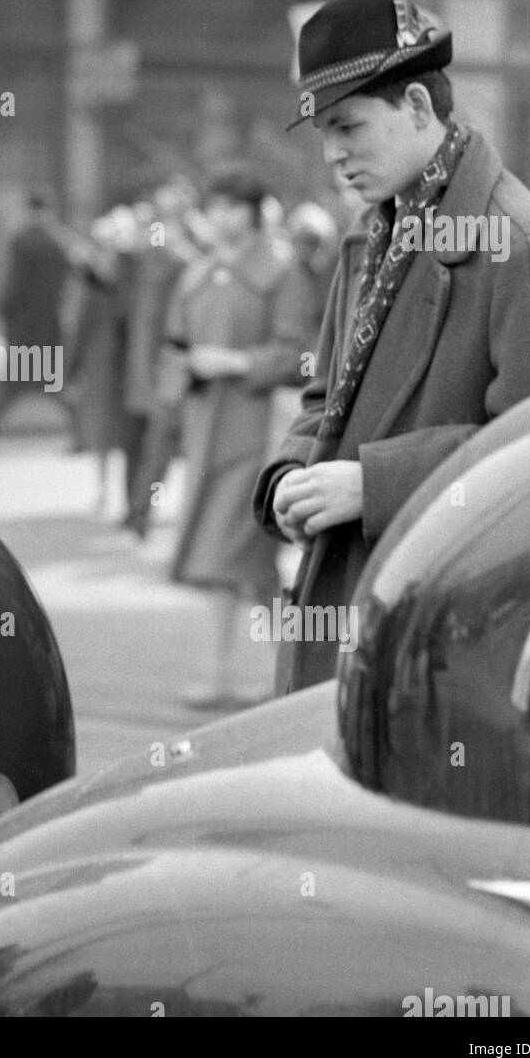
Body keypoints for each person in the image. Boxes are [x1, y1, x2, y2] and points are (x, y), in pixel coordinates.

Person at [253, 0, 530, 694]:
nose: (330, 154)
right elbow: (323, 397)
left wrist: (371, 484)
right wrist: (288, 477)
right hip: (350, 596)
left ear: (415, 106)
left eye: (347, 126)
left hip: (445, 630)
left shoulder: (524, 246)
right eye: (322, 131)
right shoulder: (369, 233)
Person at [167, 167, 320, 707]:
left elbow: (302, 353)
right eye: (217, 206)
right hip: (207, 430)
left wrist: (235, 361)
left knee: (233, 556)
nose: (223, 217)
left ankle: (272, 670)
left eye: (235, 206)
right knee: (237, 564)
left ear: (256, 212)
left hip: (260, 430)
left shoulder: (281, 271)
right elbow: (172, 346)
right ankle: (282, 669)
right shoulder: (198, 273)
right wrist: (185, 369)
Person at [123, 175, 202, 538]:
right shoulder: (167, 244)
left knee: (158, 443)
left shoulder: (158, 240)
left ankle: (141, 512)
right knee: (163, 442)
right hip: (171, 359)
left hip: (167, 358)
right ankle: (142, 512)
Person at [0, 190, 71, 451]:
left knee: (10, 386)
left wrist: (4, 311)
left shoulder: (23, 241)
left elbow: (15, 285)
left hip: (24, 327)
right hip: (49, 327)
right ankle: (84, 435)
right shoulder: (60, 242)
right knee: (55, 384)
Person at [67, 206, 137, 515]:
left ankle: (131, 497)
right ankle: (105, 491)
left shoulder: (134, 281)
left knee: (132, 436)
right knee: (104, 434)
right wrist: (71, 370)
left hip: (130, 368)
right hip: (102, 368)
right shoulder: (91, 287)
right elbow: (79, 329)